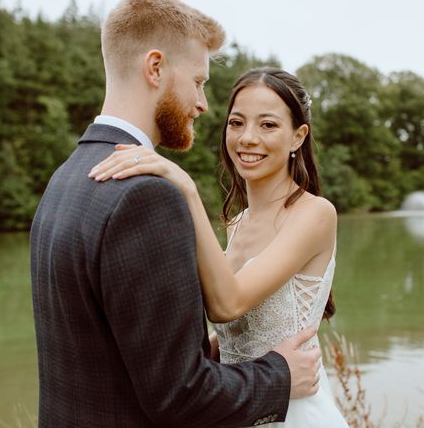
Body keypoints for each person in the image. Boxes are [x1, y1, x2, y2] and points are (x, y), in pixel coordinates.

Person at [30, 0, 322, 428]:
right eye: (199, 81)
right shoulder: (145, 195)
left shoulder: (67, 177)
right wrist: (279, 375)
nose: (204, 104)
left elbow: (123, 340)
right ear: (155, 68)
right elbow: (182, 397)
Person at [89, 67, 349, 427]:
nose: (248, 138)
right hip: (242, 403)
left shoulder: (315, 214)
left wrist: (185, 186)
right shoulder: (237, 223)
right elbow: (234, 328)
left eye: (268, 125)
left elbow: (228, 303)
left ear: (297, 137)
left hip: (293, 413)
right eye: (237, 123)